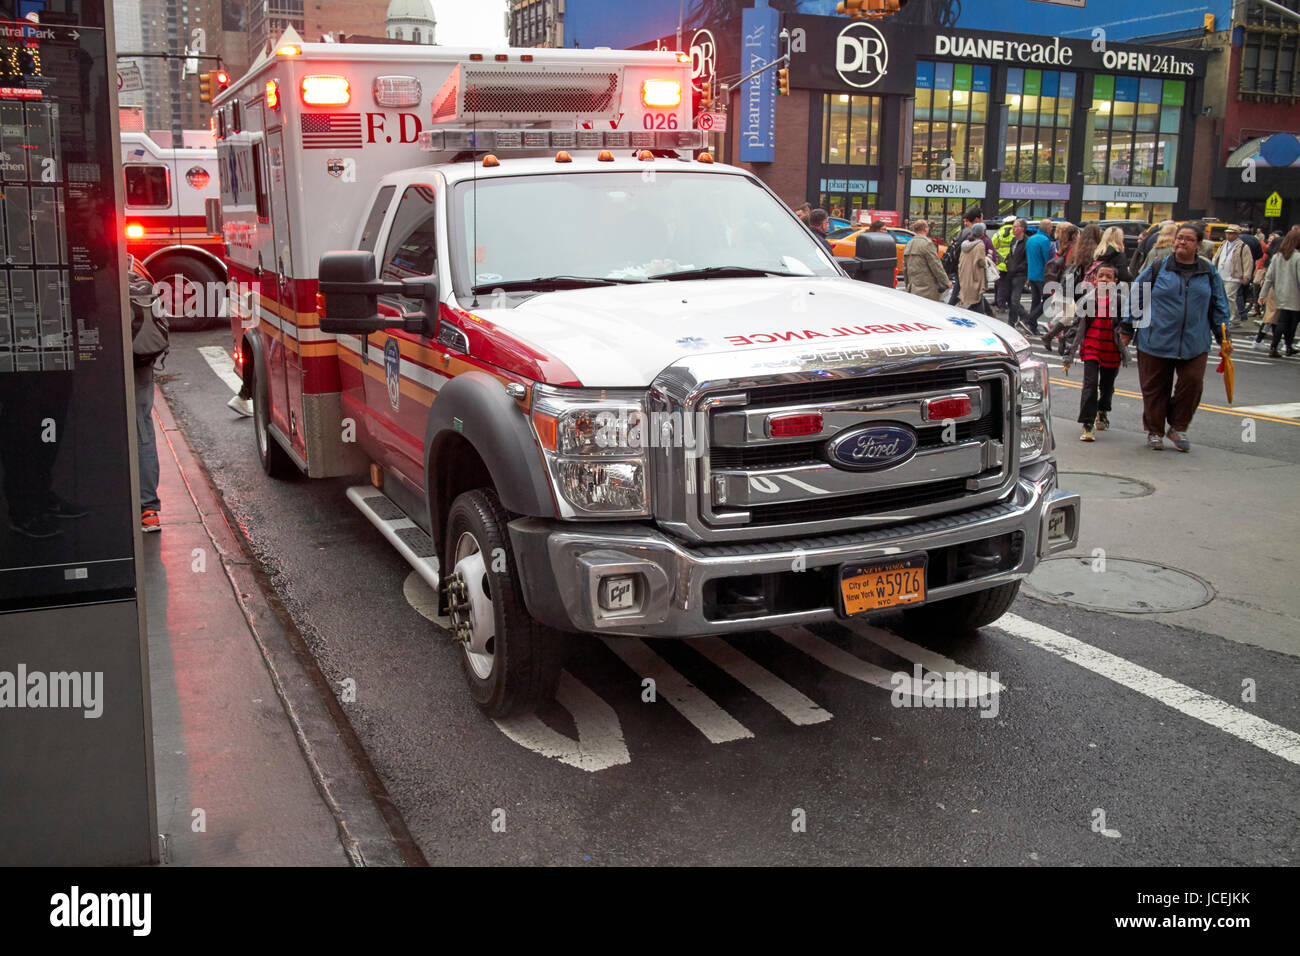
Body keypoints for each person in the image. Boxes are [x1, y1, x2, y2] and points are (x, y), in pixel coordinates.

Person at [1122, 222, 1230, 452]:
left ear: (1198, 245)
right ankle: (1155, 431)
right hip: (1155, 338)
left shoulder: (1208, 272)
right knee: (1154, 388)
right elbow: (1137, 294)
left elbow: (1219, 303)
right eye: (1180, 237)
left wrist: (1223, 335)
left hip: (1194, 341)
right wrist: (1127, 326)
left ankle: (1178, 426)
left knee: (1192, 383)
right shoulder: (1159, 267)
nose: (1182, 242)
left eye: (1188, 239)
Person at [1063, 263, 1126, 441]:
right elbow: (1077, 325)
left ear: (1116, 281)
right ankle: (1087, 424)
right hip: (1091, 347)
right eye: (1101, 276)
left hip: (1112, 349)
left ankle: (1103, 410)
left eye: (1109, 277)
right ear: (1095, 280)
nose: (1104, 279)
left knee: (1106, 386)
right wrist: (1069, 349)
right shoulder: (1087, 300)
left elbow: (1126, 325)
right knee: (1090, 386)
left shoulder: (1120, 301)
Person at [1040, 222, 1086, 353]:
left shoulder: (1061, 247)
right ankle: (1052, 336)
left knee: (1069, 314)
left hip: (1060, 284)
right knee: (1071, 314)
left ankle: (1060, 340)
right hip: (1068, 285)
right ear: (1074, 236)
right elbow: (1072, 268)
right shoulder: (1073, 249)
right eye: (1078, 233)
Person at [1258, 225, 1300, 358]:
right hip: (1295, 295)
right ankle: (1285, 347)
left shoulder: (1277, 256)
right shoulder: (1298, 257)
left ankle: (1276, 347)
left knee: (1282, 320)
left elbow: (1269, 277)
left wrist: (1262, 294)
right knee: (1291, 323)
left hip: (1280, 293)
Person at [1213, 225, 1253, 327]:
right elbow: (1216, 258)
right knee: (1222, 297)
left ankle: (1234, 319)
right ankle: (1226, 317)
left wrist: (1246, 276)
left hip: (1234, 276)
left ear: (1236, 234)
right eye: (1227, 233)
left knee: (1229, 296)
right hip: (1221, 275)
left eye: (1231, 233)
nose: (1228, 235)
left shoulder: (1243, 246)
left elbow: (1248, 262)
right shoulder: (1223, 244)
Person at [902, 218, 950, 302]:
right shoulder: (927, 243)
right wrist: (946, 281)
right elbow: (936, 265)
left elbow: (905, 267)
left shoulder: (908, 244)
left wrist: (908, 285)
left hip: (913, 287)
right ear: (925, 229)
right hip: (927, 288)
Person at [1023, 218, 1053, 334]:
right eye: (1050, 227)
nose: (1051, 229)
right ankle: (1030, 319)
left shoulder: (1031, 239)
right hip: (1042, 275)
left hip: (1032, 273)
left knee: (1035, 300)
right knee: (1047, 299)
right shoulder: (1045, 240)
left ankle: (1032, 326)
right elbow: (1048, 259)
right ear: (1047, 228)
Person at [958, 221, 992, 314]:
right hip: (975, 275)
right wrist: (989, 257)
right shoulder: (979, 245)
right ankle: (981, 318)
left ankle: (986, 314)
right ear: (982, 232)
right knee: (976, 298)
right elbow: (981, 262)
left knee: (972, 298)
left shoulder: (965, 244)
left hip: (965, 274)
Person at [1004, 218, 1030, 330]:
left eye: (1015, 227)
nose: (1013, 229)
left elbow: (1027, 260)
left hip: (1020, 274)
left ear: (1022, 229)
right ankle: (1025, 315)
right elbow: (1011, 255)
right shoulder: (1014, 241)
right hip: (1010, 272)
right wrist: (1008, 262)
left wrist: (1018, 268)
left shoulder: (1027, 242)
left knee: (1015, 299)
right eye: (1013, 227)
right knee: (1008, 299)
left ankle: (1011, 322)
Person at [992, 215, 1016, 312]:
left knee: (1000, 285)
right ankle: (1007, 304)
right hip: (1012, 263)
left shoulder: (997, 234)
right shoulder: (1015, 234)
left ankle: (1000, 304)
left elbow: (993, 247)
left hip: (999, 264)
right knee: (1010, 285)